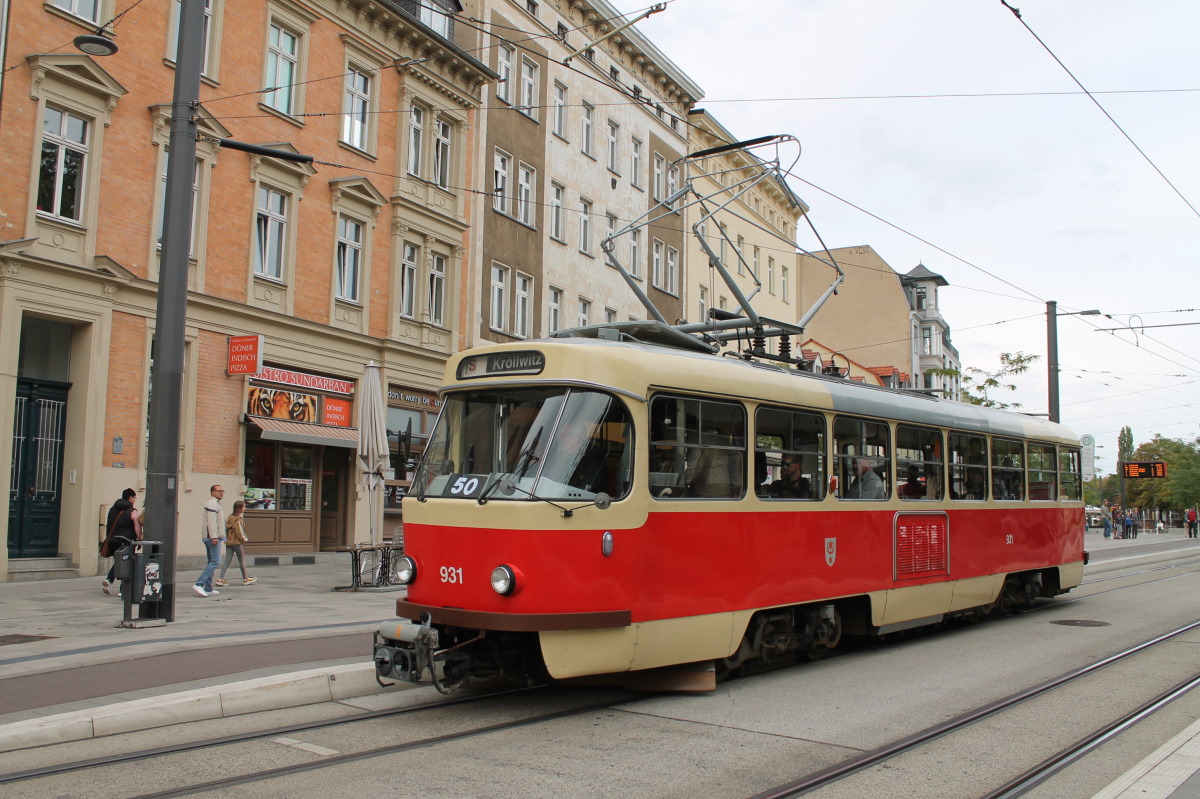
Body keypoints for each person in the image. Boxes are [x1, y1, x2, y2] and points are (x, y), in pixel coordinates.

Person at [101, 488, 142, 595]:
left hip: (113, 540)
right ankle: (122, 590)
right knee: (126, 564)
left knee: (119, 562)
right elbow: (137, 526)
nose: (135, 500)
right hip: (126, 541)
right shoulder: (132, 511)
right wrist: (139, 538)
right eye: (134, 497)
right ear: (130, 498)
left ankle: (109, 580)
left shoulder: (113, 509)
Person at [193, 484, 225, 597]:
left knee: (211, 561)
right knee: (215, 561)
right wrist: (214, 537)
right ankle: (199, 583)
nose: (221, 492)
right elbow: (212, 522)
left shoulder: (215, 503)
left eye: (222, 491)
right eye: (219, 491)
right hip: (212, 537)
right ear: (212, 492)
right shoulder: (212, 504)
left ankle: (208, 587)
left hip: (210, 536)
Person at [215, 500, 257, 586]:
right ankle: (246, 579)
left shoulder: (230, 517)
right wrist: (244, 539)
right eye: (243, 506)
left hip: (229, 542)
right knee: (242, 560)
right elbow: (240, 532)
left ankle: (220, 578)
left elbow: (225, 528)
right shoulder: (237, 520)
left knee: (227, 560)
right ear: (239, 508)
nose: (245, 508)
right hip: (237, 543)